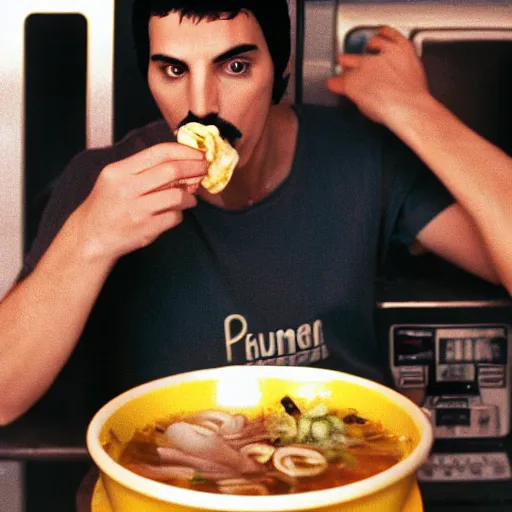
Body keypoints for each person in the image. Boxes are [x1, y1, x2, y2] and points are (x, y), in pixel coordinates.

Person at [0, 0, 511, 428]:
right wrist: (89, 238)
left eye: (235, 66)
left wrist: (413, 110)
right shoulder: (103, 182)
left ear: (279, 71)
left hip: (342, 467)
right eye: (174, 70)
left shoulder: (359, 157)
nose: (202, 105)